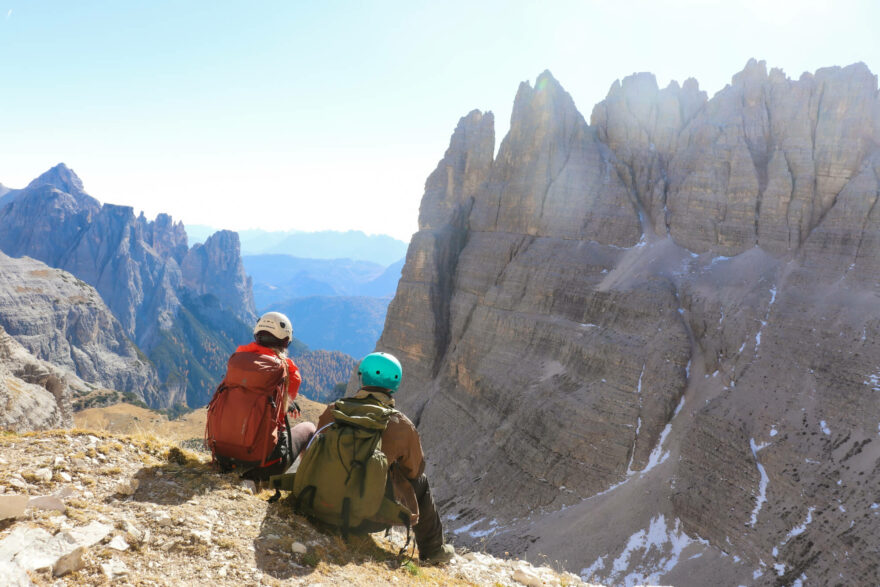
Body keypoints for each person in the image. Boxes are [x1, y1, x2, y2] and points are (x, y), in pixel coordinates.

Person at [315, 351, 455, 565]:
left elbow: (314, 452)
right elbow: (415, 471)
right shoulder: (400, 424)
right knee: (421, 482)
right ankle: (434, 550)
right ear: (394, 384)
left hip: (320, 504)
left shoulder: (333, 410)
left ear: (362, 377)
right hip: (366, 517)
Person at [206, 311, 316, 481]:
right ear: (286, 341)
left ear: (257, 334)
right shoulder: (288, 371)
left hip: (222, 457)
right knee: (309, 428)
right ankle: (304, 486)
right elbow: (280, 412)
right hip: (262, 464)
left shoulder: (238, 359)